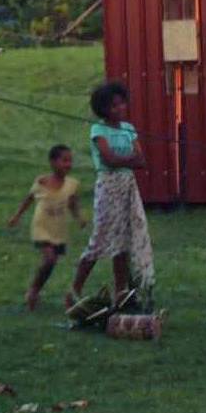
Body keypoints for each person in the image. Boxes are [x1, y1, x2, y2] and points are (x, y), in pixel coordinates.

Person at [67, 80, 153, 311]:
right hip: (108, 186)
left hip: (128, 186)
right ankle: (74, 289)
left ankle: (121, 293)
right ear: (103, 108)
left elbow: (142, 160)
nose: (119, 108)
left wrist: (123, 160)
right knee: (102, 237)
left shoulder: (129, 128)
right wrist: (127, 160)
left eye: (121, 103)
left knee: (123, 240)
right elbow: (108, 159)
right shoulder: (98, 130)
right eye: (113, 105)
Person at [6, 144, 84, 310]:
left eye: (70, 161)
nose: (68, 164)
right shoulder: (41, 182)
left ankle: (36, 288)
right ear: (53, 162)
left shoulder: (72, 184)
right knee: (49, 258)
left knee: (51, 263)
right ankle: (33, 291)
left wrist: (79, 218)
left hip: (59, 229)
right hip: (42, 228)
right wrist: (17, 216)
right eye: (64, 160)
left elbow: (73, 203)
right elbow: (29, 199)